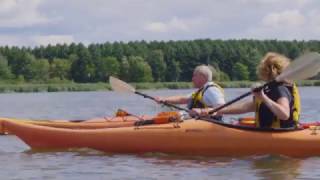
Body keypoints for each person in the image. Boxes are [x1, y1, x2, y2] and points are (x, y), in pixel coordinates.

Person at [201, 52, 301, 128]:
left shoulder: (280, 89)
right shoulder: (270, 89)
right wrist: (216, 111)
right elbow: (247, 107)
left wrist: (263, 97)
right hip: (267, 131)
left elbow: (284, 114)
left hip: (280, 133)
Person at [156, 64, 225, 119]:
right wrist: (165, 99)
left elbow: (222, 108)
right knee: (169, 115)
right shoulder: (201, 91)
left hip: (210, 124)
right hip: (197, 122)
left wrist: (201, 111)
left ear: (202, 77)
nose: (192, 79)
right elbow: (182, 99)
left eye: (194, 76)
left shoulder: (211, 89)